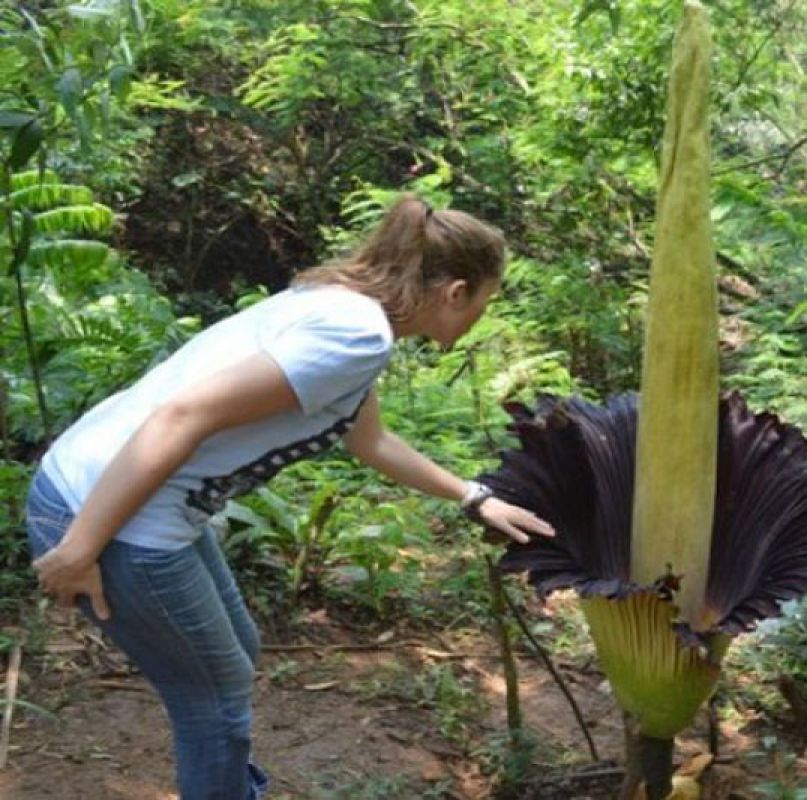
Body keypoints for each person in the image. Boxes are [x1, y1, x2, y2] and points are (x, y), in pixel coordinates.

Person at [27, 196, 555, 800]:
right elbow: (183, 415)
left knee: (237, 657)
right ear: (456, 291)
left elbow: (371, 440)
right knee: (215, 701)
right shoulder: (359, 336)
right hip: (108, 515)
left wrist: (473, 497)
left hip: (106, 490)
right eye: (484, 303)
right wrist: (80, 548)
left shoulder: (341, 308)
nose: (479, 320)